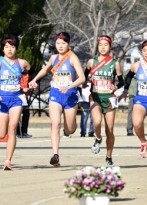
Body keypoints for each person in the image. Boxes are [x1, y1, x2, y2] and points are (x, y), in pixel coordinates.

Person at [29, 32, 85, 167]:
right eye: (58, 43)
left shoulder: (73, 58)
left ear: (68, 44)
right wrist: (35, 79)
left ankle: (72, 126)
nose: (60, 46)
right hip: (55, 95)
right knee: (55, 124)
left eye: (63, 43)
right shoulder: (53, 58)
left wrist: (69, 86)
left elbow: (82, 78)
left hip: (70, 95)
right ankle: (55, 155)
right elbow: (45, 70)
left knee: (69, 129)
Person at [0, 35, 31, 170]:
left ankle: (7, 161)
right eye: (7, 47)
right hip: (2, 101)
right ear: (3, 49)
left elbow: (32, 73)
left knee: (12, 128)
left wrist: (28, 85)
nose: (10, 50)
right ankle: (3, 130)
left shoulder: (22, 63)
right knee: (1, 134)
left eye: (12, 47)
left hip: (16, 99)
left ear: (16, 49)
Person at [120, 40, 147, 161]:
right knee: (137, 123)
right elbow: (128, 77)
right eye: (144, 51)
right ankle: (144, 142)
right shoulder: (136, 65)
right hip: (140, 100)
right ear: (141, 52)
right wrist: (125, 90)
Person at [85, 35, 124, 167]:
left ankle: (108, 156)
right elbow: (84, 77)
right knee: (96, 122)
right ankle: (98, 138)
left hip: (109, 98)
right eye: (100, 45)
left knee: (110, 129)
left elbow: (121, 81)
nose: (103, 47)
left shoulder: (115, 63)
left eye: (105, 45)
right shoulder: (91, 62)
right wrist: (86, 82)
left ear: (110, 47)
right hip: (95, 97)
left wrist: (116, 86)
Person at [16, 73, 32, 138]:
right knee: (16, 114)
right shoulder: (14, 72)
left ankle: (24, 132)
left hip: (24, 97)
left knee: (26, 113)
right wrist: (22, 90)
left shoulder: (26, 74)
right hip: (16, 96)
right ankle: (17, 132)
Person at [126, 69, 136, 136]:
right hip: (132, 96)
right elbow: (125, 75)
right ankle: (129, 130)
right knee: (130, 113)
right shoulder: (129, 73)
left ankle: (140, 130)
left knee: (142, 114)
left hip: (141, 96)